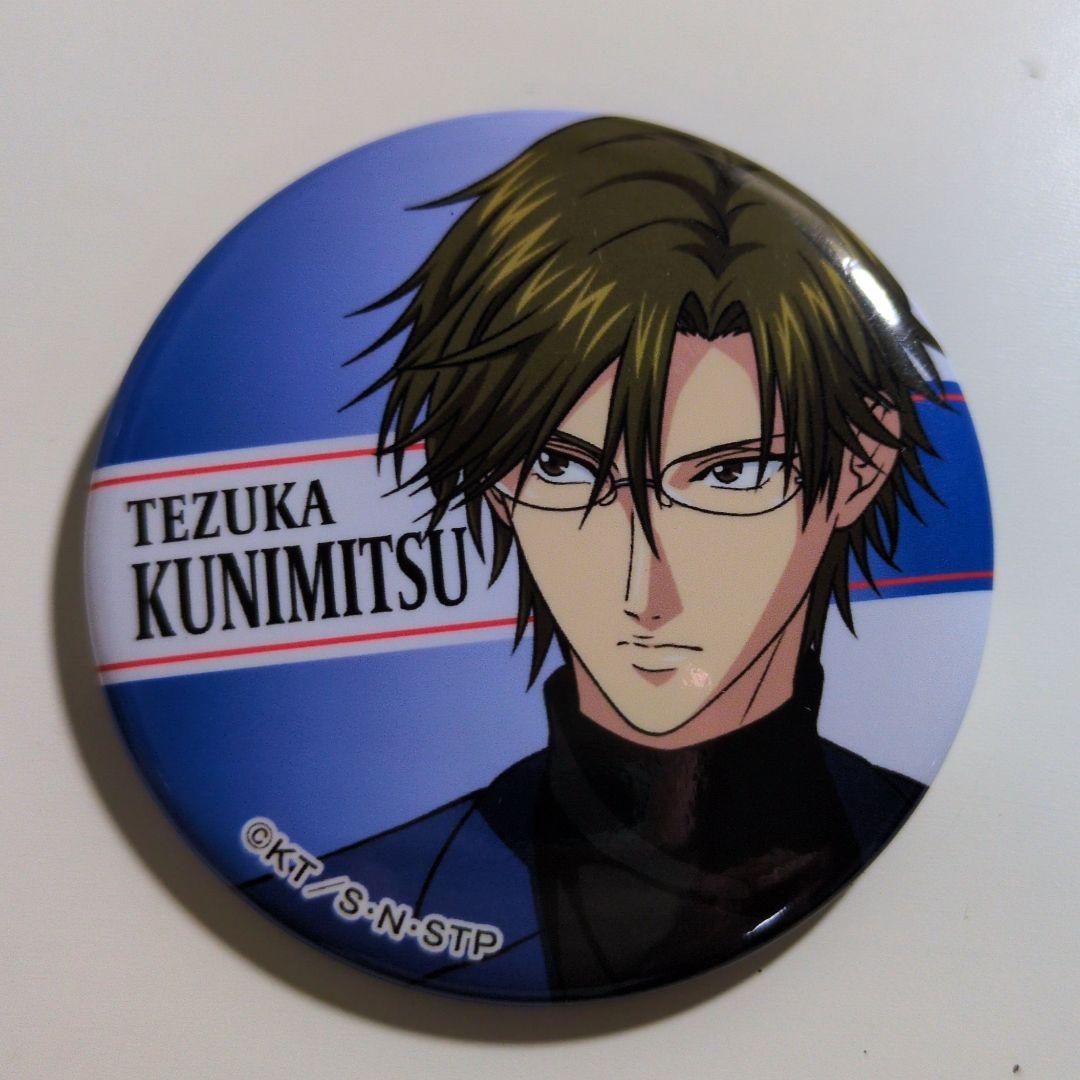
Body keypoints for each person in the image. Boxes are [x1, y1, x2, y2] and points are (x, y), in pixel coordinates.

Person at [244, 116, 944, 1000]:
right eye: (565, 469)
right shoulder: (373, 895)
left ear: (859, 466)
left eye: (729, 474)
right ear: (496, 480)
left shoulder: (942, 868)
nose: (647, 588)